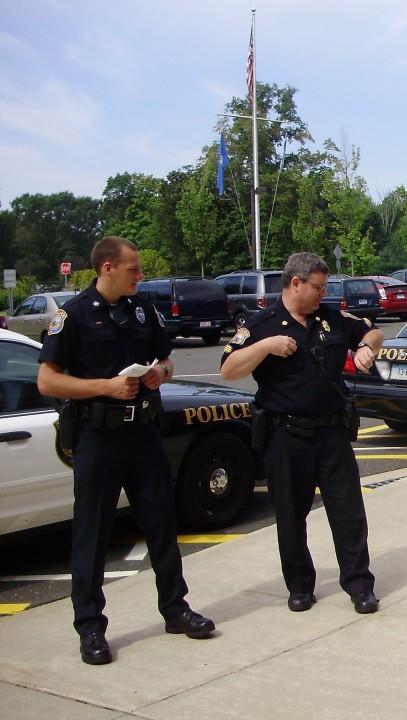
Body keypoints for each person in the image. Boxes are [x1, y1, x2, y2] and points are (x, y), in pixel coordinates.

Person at [37, 236, 215, 666]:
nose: (141, 275)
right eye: (133, 268)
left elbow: (166, 358)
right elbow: (47, 381)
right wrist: (105, 388)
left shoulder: (141, 310)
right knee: (92, 533)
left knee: (161, 524)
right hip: (99, 439)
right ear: (107, 268)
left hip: (143, 436)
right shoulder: (74, 316)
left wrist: (160, 374)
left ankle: (175, 610)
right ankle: (91, 628)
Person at [220, 252, 382, 614]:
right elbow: (229, 368)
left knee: (348, 513)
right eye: (318, 287)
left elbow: (372, 330)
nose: (322, 294)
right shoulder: (261, 324)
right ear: (296, 283)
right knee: (291, 517)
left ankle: (359, 585)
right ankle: (299, 587)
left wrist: (366, 349)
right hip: (286, 437)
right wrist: (265, 347)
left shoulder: (331, 318)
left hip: (332, 434)